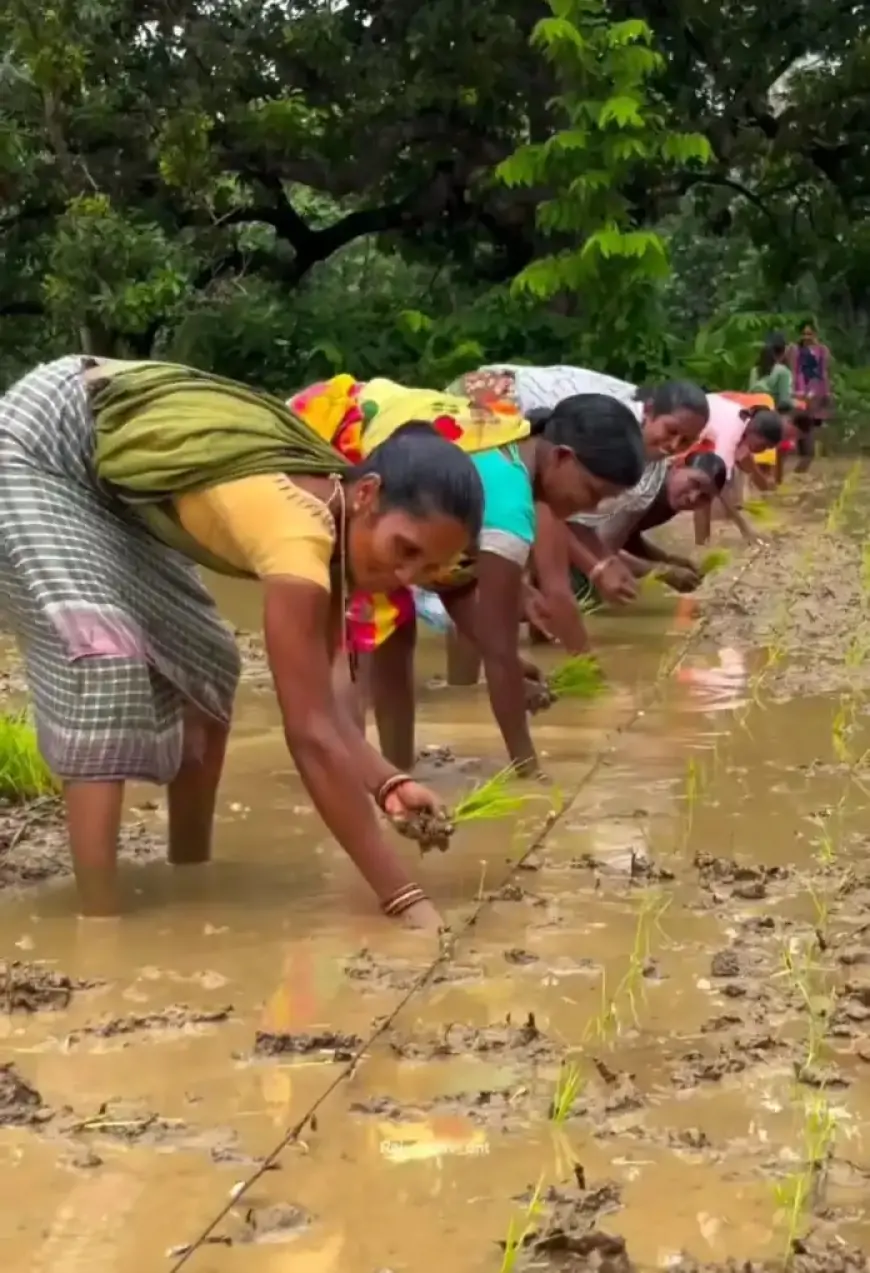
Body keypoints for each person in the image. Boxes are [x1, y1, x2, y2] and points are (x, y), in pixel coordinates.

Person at [0, 357, 486, 930]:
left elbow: (326, 708)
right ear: (368, 495)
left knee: (210, 661)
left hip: (111, 481)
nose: (406, 578)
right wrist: (405, 900)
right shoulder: (296, 535)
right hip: (43, 443)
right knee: (107, 660)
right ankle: (100, 922)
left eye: (428, 567)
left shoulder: (334, 523)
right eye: (405, 549)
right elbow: (309, 734)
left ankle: (189, 871)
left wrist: (388, 782)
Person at [288, 375, 648, 776]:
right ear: (562, 457)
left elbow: (454, 582)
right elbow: (498, 652)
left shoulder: (508, 437)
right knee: (355, 643)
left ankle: (395, 774)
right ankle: (350, 785)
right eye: (592, 491)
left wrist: (509, 660)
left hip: (338, 422)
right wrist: (528, 768)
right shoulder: (510, 511)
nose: (592, 507)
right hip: (326, 446)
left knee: (395, 633)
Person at [692, 395, 783, 545]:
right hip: (686, 421)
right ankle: (702, 545)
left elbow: (744, 460)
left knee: (704, 486)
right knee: (705, 488)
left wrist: (765, 487)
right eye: (763, 445)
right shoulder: (732, 431)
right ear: (755, 432)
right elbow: (719, 486)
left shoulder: (744, 424)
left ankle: (702, 545)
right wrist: (745, 529)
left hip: (699, 427)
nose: (762, 451)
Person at [788, 321, 833, 471]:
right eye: (804, 334)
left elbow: (824, 372)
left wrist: (827, 393)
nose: (807, 337)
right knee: (804, 426)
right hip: (800, 393)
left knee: (810, 426)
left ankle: (802, 464)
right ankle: (802, 460)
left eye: (810, 334)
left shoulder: (822, 350)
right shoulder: (795, 349)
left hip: (816, 392)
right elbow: (793, 371)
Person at [748, 334, 793, 408]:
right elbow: (784, 401)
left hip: (754, 411)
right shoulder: (783, 371)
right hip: (773, 412)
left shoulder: (755, 370)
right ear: (784, 351)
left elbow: (750, 394)